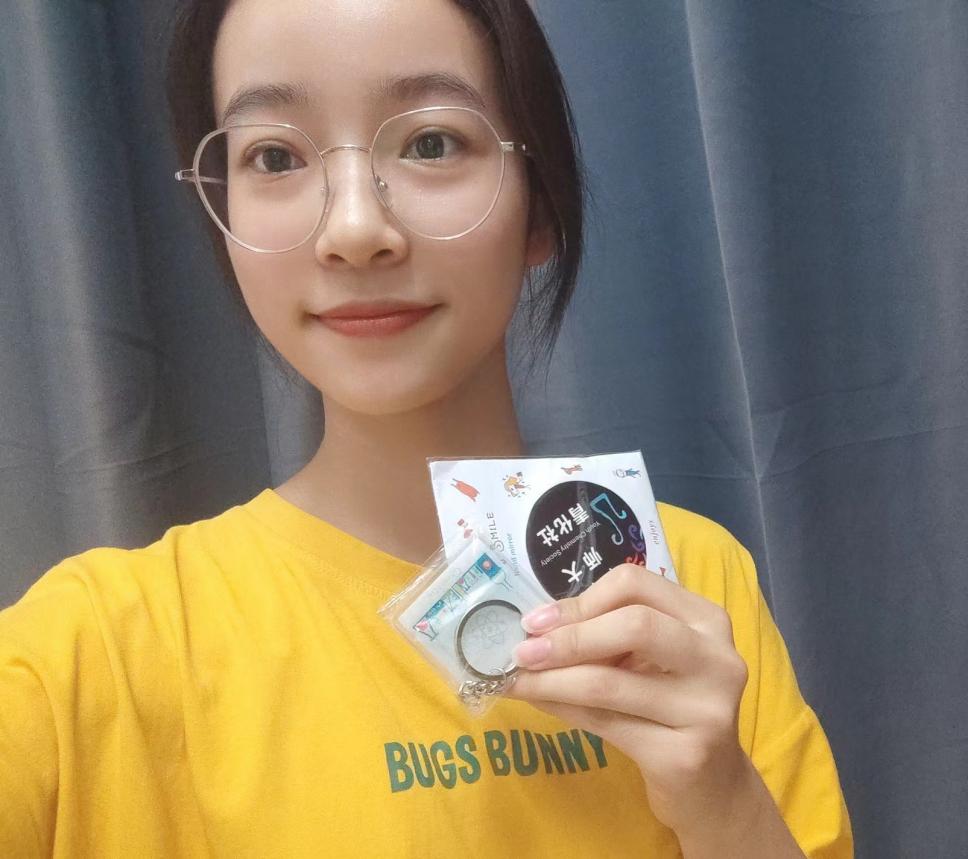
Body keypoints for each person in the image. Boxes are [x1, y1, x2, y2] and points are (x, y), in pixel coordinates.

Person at [0, 0, 853, 856]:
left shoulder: (695, 588)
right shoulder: (85, 654)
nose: (354, 231)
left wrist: (723, 802)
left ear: (541, 204)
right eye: (275, 157)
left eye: (432, 143)